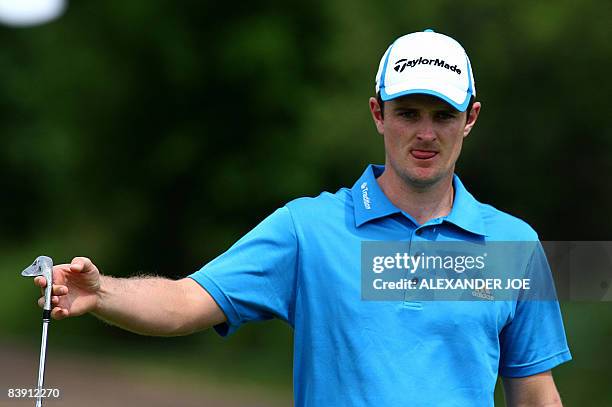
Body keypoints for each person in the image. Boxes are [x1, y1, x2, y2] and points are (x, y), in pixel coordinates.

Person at [34, 29, 571, 406]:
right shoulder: (307, 229)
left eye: (442, 115)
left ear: (470, 118)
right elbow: (184, 302)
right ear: (377, 114)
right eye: (408, 113)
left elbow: (536, 396)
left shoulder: (513, 245)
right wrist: (102, 293)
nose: (425, 134)